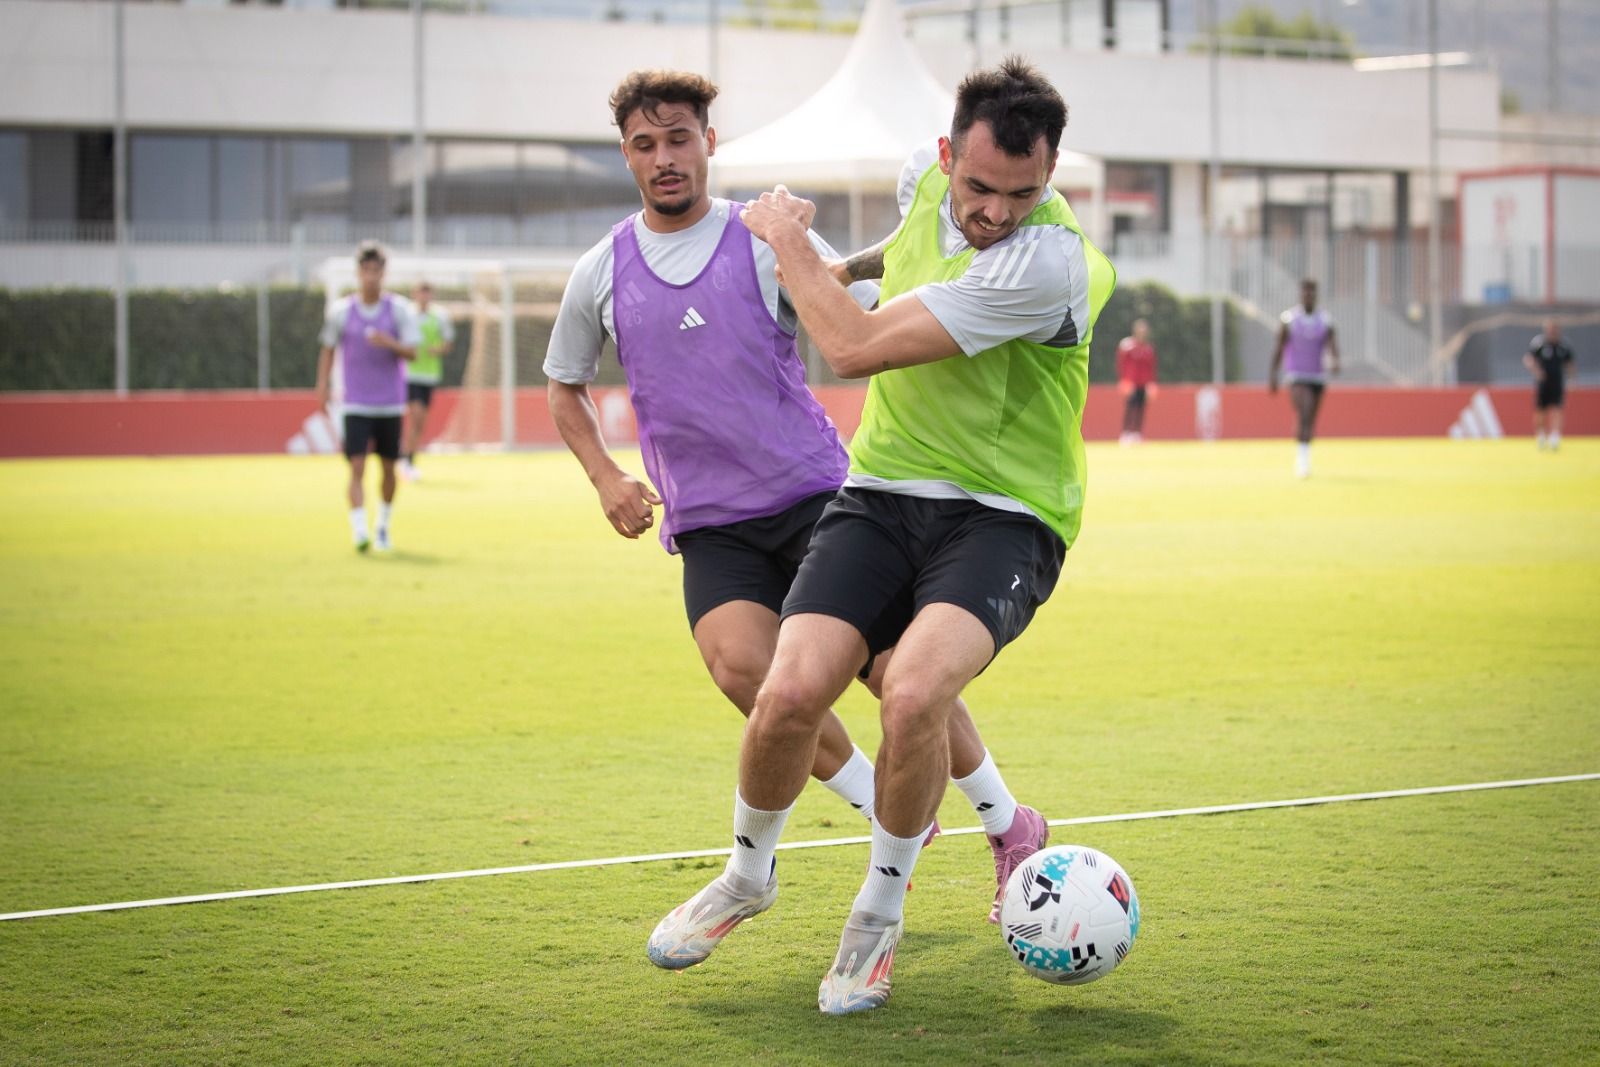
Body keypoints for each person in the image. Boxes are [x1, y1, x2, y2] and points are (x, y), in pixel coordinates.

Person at [646, 57, 1115, 1014]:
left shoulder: (1050, 263)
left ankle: (878, 914)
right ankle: (747, 875)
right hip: (882, 491)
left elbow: (852, 349)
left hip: (1006, 512)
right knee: (784, 694)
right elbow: (902, 254)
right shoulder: (924, 178)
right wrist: (833, 267)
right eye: (978, 187)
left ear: (1052, 172)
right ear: (948, 155)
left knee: (912, 694)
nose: (993, 213)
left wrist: (782, 244)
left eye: (1022, 193)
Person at [544, 70, 1043, 953]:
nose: (665, 158)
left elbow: (863, 319)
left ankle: (1008, 827)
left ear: (708, 142)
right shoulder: (601, 270)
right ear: (626, 154)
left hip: (820, 496)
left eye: (680, 139)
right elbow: (564, 386)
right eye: (645, 144)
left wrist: (845, 270)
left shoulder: (764, 240)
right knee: (749, 674)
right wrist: (604, 477)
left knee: (900, 679)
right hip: (710, 524)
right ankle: (887, 813)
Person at [314, 241, 421, 552]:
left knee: (388, 470)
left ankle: (383, 526)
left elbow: (412, 352)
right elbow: (328, 348)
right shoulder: (342, 312)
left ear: (383, 274)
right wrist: (322, 386)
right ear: (358, 272)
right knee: (356, 467)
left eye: (377, 271)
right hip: (356, 403)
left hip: (389, 403)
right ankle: (359, 529)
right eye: (366, 270)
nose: (371, 277)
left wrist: (388, 342)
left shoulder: (398, 310)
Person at [1269, 278, 1339, 478]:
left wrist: (1334, 361)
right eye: (1305, 292)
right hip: (1297, 376)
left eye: (1312, 292)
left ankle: (1304, 454)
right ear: (1300, 294)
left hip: (1317, 376)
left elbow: (1333, 347)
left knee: (1311, 419)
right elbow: (1278, 348)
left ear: (1316, 295)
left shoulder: (1325, 321)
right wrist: (1273, 375)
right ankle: (1302, 462)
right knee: (1305, 411)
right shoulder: (1289, 320)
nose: (1308, 296)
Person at [400, 281, 455, 481]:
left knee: (420, 422)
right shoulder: (406, 314)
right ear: (415, 294)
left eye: (427, 293)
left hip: (429, 375)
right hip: (409, 374)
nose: (424, 297)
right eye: (421, 293)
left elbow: (448, 344)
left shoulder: (439, 316)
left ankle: (407, 457)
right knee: (416, 415)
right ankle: (406, 459)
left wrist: (438, 349)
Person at [1524, 319, 1574, 451]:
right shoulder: (1539, 344)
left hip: (1557, 383)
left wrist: (1571, 379)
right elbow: (1529, 359)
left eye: (1555, 329)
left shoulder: (1563, 346)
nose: (1552, 332)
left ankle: (1554, 438)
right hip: (1543, 384)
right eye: (1550, 329)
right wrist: (1537, 372)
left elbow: (1570, 364)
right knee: (1540, 411)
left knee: (1557, 410)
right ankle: (1541, 437)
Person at [1115, 317, 1157, 445]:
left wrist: (1151, 384)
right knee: (1130, 408)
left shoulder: (1148, 349)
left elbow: (1152, 368)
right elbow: (1121, 365)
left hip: (1143, 384)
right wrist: (1123, 381)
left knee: (1141, 408)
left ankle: (1137, 434)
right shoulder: (1127, 346)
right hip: (1130, 383)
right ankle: (1126, 433)